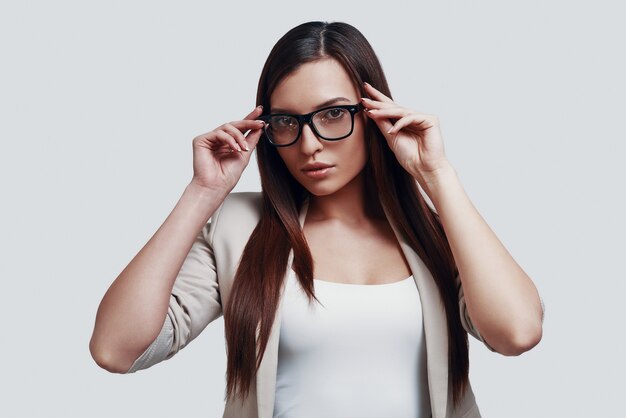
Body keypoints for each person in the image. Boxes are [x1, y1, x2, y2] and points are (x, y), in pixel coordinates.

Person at [89, 20, 545, 418]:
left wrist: (437, 175)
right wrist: (202, 193)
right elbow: (116, 349)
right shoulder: (239, 228)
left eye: (331, 115)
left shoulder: (440, 232)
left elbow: (517, 333)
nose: (309, 144)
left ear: (373, 115)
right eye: (287, 122)